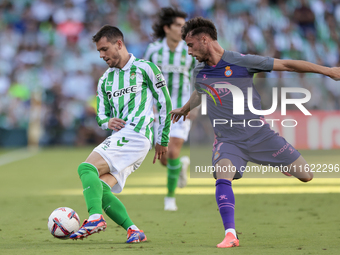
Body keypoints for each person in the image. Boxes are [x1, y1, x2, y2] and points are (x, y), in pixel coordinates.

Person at [170, 17, 340, 248]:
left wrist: (328, 70)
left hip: (260, 135)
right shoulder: (200, 71)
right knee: (223, 175)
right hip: (228, 140)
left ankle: (280, 164)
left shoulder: (241, 61)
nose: (188, 51)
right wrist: (184, 109)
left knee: (306, 175)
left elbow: (287, 65)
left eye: (190, 45)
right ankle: (231, 234)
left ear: (204, 39)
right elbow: (201, 92)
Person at [70, 25, 172, 242]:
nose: (101, 55)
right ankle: (133, 230)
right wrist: (107, 121)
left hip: (136, 135)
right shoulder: (105, 80)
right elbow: (100, 115)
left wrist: (163, 139)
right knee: (102, 188)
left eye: (104, 49)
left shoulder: (146, 68)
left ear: (119, 44)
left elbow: (165, 102)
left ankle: (95, 217)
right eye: (98, 51)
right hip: (123, 138)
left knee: (86, 168)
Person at [144, 7, 196, 211]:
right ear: (167, 28)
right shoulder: (153, 51)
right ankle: (180, 166)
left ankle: (170, 198)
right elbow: (144, 79)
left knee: (172, 151)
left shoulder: (189, 51)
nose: (182, 30)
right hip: (158, 109)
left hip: (182, 108)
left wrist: (192, 106)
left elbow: (199, 80)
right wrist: (149, 105)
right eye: (178, 26)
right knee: (165, 157)